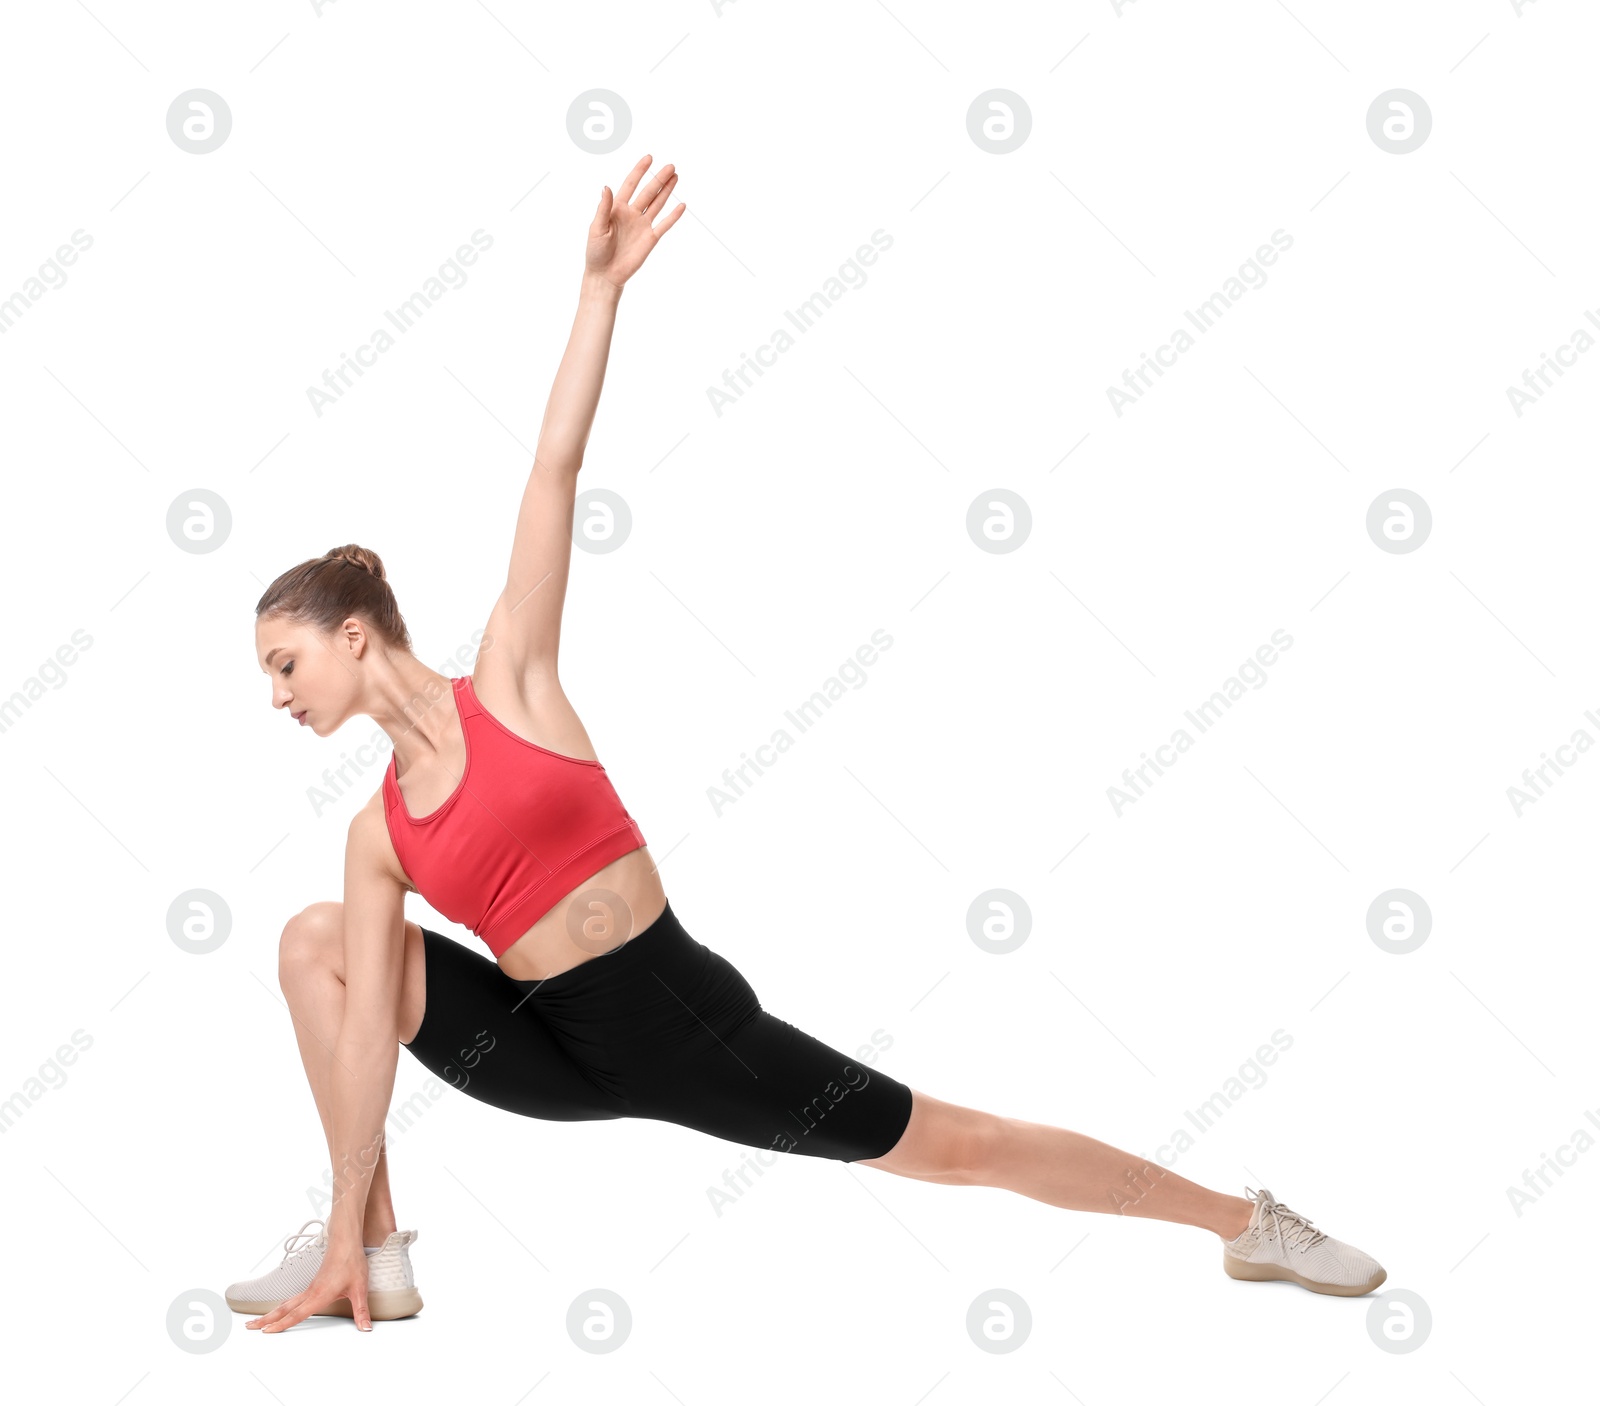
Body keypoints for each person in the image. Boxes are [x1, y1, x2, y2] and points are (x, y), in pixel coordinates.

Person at [230, 155, 1385, 1334]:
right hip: (543, 1054)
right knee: (315, 942)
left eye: (284, 663)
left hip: (684, 1030)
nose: (278, 695)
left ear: (355, 633)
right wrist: (339, 1219)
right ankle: (369, 1259)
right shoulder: (377, 834)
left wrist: (600, 294)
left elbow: (552, 471)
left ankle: (1243, 1223)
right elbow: (367, 1028)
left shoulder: (513, 681)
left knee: (959, 1146)